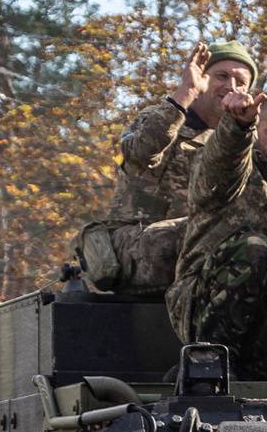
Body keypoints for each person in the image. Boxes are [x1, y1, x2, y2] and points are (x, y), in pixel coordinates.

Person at [166, 89, 267, 380]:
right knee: (254, 247)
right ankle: (205, 360)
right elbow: (221, 166)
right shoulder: (236, 167)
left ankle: (235, 376)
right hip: (205, 297)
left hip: (259, 304)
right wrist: (237, 127)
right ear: (257, 131)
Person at [78, 41, 257, 294]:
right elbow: (141, 152)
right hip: (138, 247)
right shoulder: (163, 119)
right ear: (202, 78)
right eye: (222, 76)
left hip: (198, 250)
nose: (231, 86)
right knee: (212, 233)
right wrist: (186, 92)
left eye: (241, 82)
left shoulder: (241, 140)